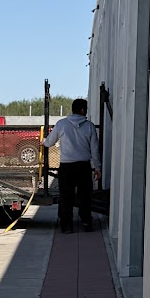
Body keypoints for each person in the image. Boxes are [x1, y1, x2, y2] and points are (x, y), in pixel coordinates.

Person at [45, 98, 98, 233]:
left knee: (65, 196)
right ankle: (86, 222)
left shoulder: (61, 124)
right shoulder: (90, 126)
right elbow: (95, 149)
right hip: (84, 166)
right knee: (85, 196)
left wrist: (43, 142)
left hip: (66, 166)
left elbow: (50, 142)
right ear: (82, 110)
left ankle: (67, 225)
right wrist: (97, 167)